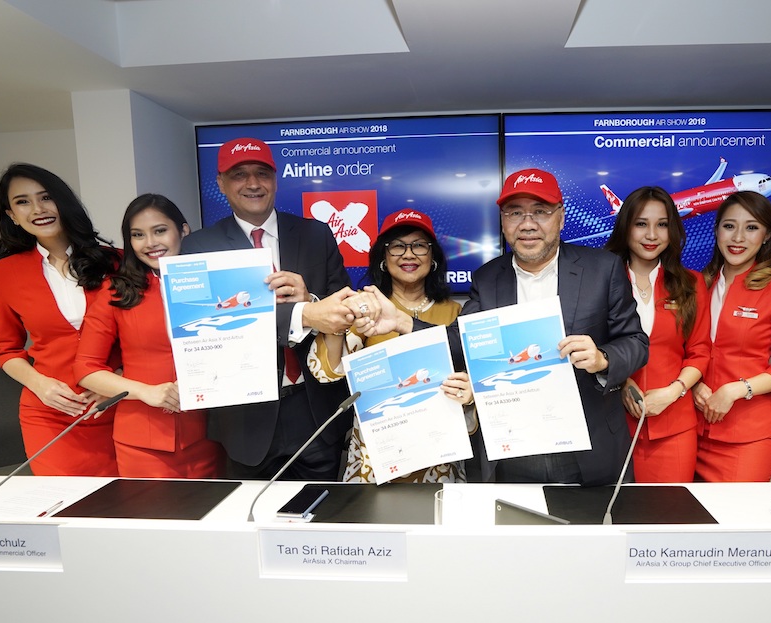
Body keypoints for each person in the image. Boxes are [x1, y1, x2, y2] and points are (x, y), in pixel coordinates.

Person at [357, 169, 649, 486]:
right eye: (515, 213)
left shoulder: (602, 268)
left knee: (594, 533)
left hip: (588, 447)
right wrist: (402, 321)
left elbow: (635, 342)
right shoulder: (488, 278)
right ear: (503, 221)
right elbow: (459, 340)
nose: (527, 224)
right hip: (513, 449)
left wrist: (602, 358)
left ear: (561, 217)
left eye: (540, 212)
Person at [180, 137, 366, 480]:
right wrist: (303, 315)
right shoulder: (198, 248)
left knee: (322, 520)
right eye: (239, 174)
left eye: (262, 173)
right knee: (252, 524)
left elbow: (344, 310)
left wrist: (309, 300)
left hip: (315, 410)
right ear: (221, 183)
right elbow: (209, 322)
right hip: (245, 420)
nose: (253, 183)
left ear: (276, 179)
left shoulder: (316, 235)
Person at [313, 208, 476, 483]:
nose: (409, 254)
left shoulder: (454, 313)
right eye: (397, 246)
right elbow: (328, 371)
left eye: (419, 246)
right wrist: (340, 320)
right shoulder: (366, 307)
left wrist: (468, 394)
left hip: (439, 457)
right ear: (383, 258)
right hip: (377, 456)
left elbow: (472, 382)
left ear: (433, 256)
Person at [74, 194, 225, 478]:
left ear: (183, 230)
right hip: (143, 441)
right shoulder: (115, 291)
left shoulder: (217, 282)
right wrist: (146, 392)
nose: (150, 242)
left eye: (160, 230)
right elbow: (86, 369)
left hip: (211, 435)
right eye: (138, 235)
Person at [0, 163, 119, 476]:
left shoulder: (117, 262)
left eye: (45, 197)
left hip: (118, 406)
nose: (37, 209)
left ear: (63, 202)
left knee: (135, 509)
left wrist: (118, 379)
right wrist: (40, 385)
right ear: (11, 215)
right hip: (50, 413)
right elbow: (7, 349)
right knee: (64, 511)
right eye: (22, 202)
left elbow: (144, 336)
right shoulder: (1, 274)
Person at [692, 191, 771, 482]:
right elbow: (683, 351)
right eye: (729, 226)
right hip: (690, 429)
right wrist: (692, 385)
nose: (738, 237)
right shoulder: (696, 286)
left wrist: (733, 391)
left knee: (738, 524)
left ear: (767, 235)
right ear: (717, 230)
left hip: (746, 436)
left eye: (752, 227)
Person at [604, 186, 710, 482]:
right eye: (641, 224)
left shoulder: (690, 283)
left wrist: (672, 392)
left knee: (671, 516)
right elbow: (592, 346)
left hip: (674, 425)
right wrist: (621, 381)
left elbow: (700, 351)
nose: (652, 235)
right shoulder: (600, 278)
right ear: (625, 227)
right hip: (613, 425)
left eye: (662, 225)